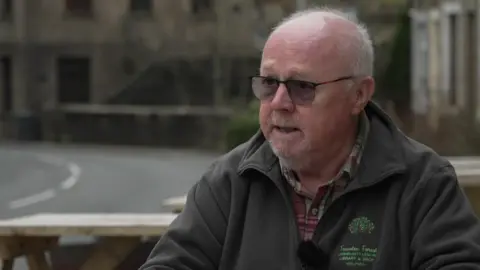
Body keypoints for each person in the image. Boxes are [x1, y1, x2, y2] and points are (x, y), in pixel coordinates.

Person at [140, 7, 480, 270]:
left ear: (359, 95)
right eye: (269, 84)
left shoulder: (423, 185)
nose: (279, 104)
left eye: (303, 88)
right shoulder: (229, 183)